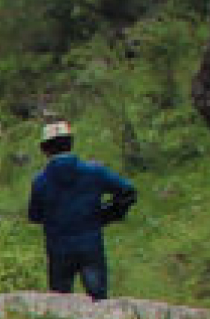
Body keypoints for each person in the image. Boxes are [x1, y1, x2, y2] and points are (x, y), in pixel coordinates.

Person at [25, 122, 137, 300]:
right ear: (71, 143)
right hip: (90, 245)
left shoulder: (40, 181)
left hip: (58, 249)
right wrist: (107, 214)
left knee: (60, 303)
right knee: (98, 301)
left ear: (44, 149)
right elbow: (128, 191)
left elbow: (34, 216)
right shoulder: (94, 172)